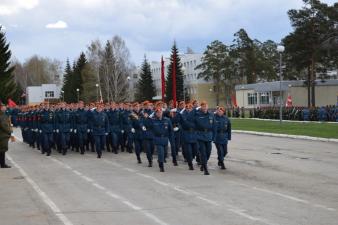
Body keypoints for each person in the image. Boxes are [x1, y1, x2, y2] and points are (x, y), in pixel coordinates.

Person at [151, 107, 174, 172]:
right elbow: (150, 129)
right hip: (157, 139)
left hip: (165, 139)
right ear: (156, 113)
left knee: (165, 154)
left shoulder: (167, 120)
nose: (159, 113)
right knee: (160, 153)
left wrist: (171, 139)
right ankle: (161, 166)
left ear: (162, 113)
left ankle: (161, 160)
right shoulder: (153, 120)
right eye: (157, 112)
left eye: (160, 112)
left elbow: (170, 130)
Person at [195, 101, 214, 175]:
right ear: (201, 107)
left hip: (209, 135)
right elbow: (190, 119)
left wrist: (214, 136)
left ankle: (203, 164)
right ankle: (206, 169)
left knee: (208, 152)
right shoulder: (197, 114)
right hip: (200, 136)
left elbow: (214, 126)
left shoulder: (211, 115)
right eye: (203, 106)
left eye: (206, 106)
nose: (205, 108)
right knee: (203, 152)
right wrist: (195, 110)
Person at [0, 102, 15, 168]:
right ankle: (3, 164)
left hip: (2, 134)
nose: (5, 107)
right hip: (3, 135)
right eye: (4, 106)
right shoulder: (2, 115)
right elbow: (4, 126)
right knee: (2, 150)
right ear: (1, 108)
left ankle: (2, 164)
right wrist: (10, 131)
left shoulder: (3, 114)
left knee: (1, 150)